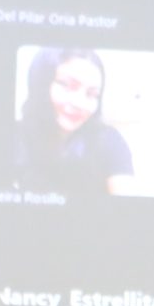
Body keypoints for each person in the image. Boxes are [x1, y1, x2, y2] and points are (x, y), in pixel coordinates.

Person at [14, 47, 134, 196]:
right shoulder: (13, 136)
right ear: (41, 84)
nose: (80, 103)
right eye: (67, 86)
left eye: (91, 94)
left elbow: (126, 210)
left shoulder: (109, 142)